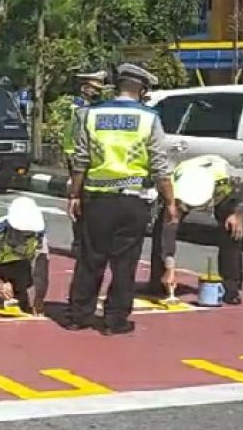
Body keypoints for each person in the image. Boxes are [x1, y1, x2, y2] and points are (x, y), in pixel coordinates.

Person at [65, 63, 175, 336]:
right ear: (140, 88)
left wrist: (75, 194)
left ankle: (79, 315)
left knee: (90, 258)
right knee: (125, 262)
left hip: (97, 198)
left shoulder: (91, 115)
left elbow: (80, 160)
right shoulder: (149, 118)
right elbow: (160, 166)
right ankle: (115, 320)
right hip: (132, 199)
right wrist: (170, 201)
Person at [148, 154, 243, 305]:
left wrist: (236, 213)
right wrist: (170, 267)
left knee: (232, 230)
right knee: (162, 230)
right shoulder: (174, 194)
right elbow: (167, 236)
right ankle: (160, 281)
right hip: (183, 191)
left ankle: (230, 288)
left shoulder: (229, 177)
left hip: (224, 194)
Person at [64, 69, 109, 258]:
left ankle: (83, 242)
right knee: (80, 200)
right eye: (93, 88)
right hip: (78, 158)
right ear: (84, 88)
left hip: (82, 157)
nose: (96, 92)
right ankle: (79, 243)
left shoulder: (87, 107)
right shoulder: (80, 108)